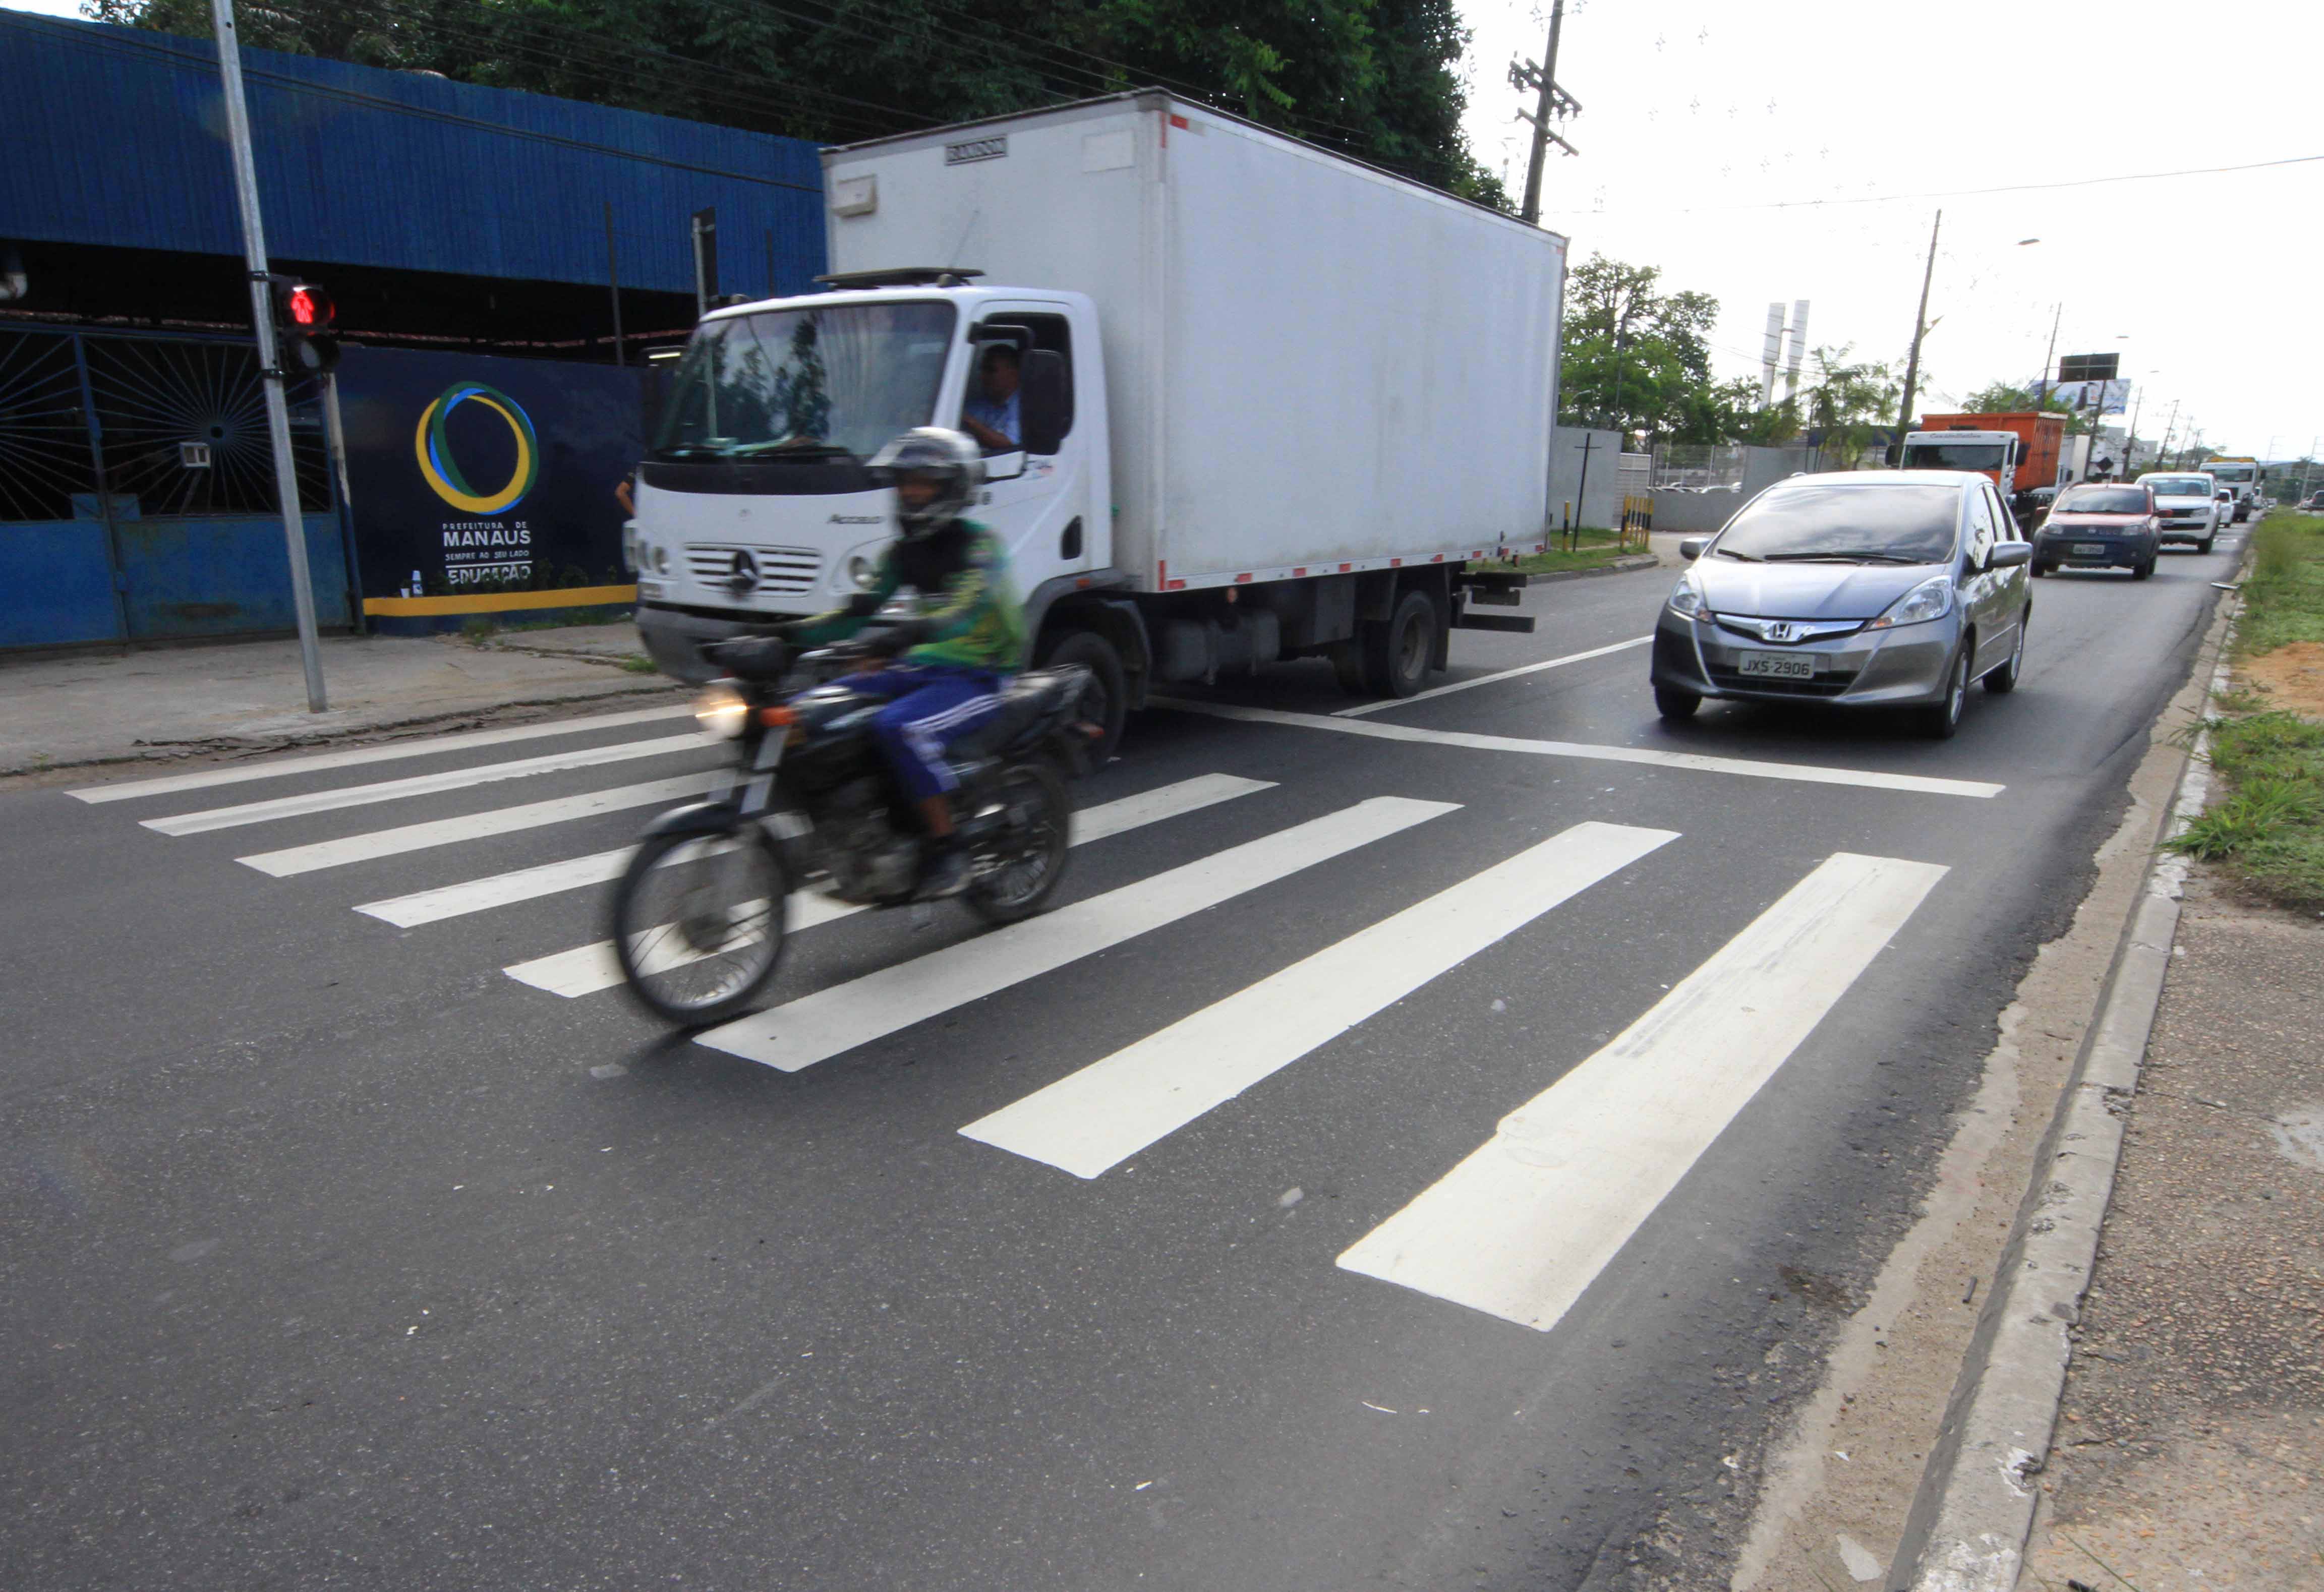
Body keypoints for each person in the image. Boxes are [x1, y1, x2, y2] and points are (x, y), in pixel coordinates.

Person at [781, 428, 1026, 898]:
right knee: (805, 713)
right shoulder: (903, 552)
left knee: (900, 728)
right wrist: (782, 637)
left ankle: (947, 846)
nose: (911, 492)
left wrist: (903, 636)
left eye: (923, 482)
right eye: (904, 482)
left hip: (980, 673)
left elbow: (964, 611)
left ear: (952, 487)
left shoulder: (980, 546)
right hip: (923, 665)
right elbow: (858, 610)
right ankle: (851, 826)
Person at [959, 343, 1021, 454]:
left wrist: (970, 422)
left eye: (991, 370)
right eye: (982, 370)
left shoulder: (1023, 406)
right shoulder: (980, 405)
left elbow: (1008, 443)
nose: (982, 376)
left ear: (1013, 374)